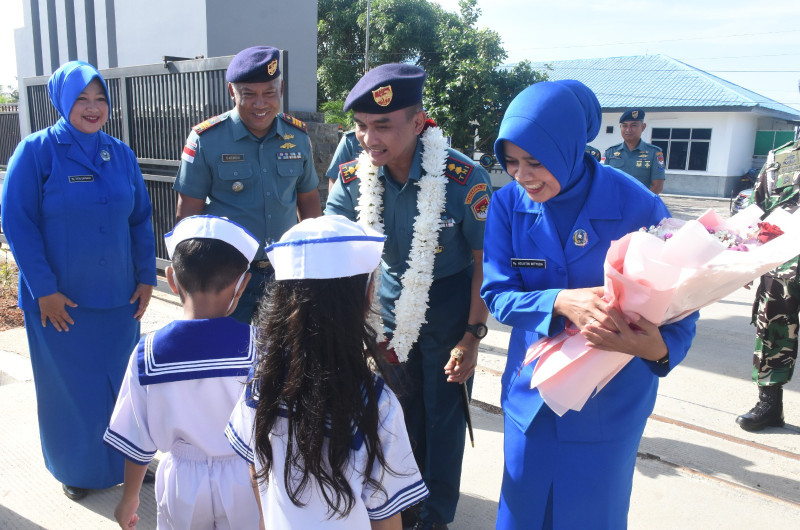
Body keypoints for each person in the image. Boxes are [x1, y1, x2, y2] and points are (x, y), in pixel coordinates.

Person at [481, 81, 698, 529]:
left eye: (535, 162)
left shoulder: (639, 205)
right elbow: (498, 294)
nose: (522, 176)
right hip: (534, 394)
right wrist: (559, 301)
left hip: (608, 401)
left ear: (569, 148)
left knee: (591, 513)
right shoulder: (506, 205)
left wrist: (657, 350)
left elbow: (683, 304)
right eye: (512, 162)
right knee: (522, 510)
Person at [325, 63, 492, 530]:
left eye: (382, 125)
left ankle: (435, 517)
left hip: (452, 305)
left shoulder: (463, 177)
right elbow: (340, 251)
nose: (368, 138)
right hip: (386, 304)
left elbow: (484, 264)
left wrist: (472, 336)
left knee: (442, 417)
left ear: (419, 123)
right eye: (361, 127)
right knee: (396, 412)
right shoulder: (354, 177)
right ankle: (403, 508)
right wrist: (361, 325)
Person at [0, 61, 157, 500]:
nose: (93, 108)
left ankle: (130, 460)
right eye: (82, 99)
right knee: (72, 393)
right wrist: (44, 291)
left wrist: (147, 276)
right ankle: (78, 469)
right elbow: (18, 223)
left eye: (100, 99)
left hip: (119, 300)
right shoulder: (35, 152)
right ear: (62, 102)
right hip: (61, 305)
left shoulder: (120, 153)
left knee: (123, 386)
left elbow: (141, 219)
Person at [226, 215, 429, 529]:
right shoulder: (377, 402)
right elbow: (386, 517)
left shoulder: (261, 384)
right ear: (367, 297)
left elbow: (255, 468)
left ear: (282, 299)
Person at [104, 215, 261, 529]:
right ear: (242, 286)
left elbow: (138, 438)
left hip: (183, 482)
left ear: (171, 279)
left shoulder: (148, 354)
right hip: (248, 478)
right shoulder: (259, 348)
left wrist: (129, 498)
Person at [173, 45, 322, 324]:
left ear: (281, 88)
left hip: (284, 273)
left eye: (269, 93)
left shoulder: (298, 137)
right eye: (249, 94)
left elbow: (309, 203)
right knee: (228, 355)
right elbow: (187, 216)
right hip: (225, 276)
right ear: (232, 92)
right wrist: (189, 280)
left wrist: (315, 261)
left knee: (283, 358)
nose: (260, 104)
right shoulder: (206, 140)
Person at [736, 137, 800, 431]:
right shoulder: (783, 156)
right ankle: (769, 405)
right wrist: (746, 258)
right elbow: (757, 206)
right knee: (773, 330)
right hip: (782, 263)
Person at [603, 108, 665, 194]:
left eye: (634, 125)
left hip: (641, 205)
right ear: (620, 127)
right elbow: (604, 181)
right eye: (624, 126)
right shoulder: (610, 152)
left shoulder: (654, 153)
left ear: (643, 127)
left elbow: (657, 186)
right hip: (615, 204)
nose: (628, 130)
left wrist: (638, 204)